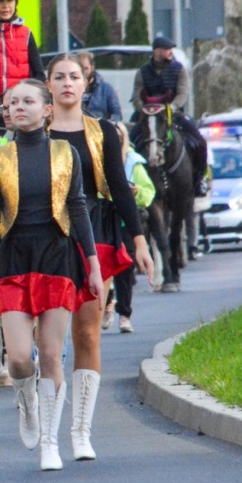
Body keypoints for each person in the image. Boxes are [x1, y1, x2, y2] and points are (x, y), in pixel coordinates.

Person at [0, 79, 103, 470]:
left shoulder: (66, 153)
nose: (20, 107)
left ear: (47, 110)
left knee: (49, 353)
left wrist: (93, 265)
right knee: (19, 360)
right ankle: (27, 401)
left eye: (29, 101)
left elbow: (78, 209)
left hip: (57, 257)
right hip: (14, 257)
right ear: (6, 113)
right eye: (13, 103)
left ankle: (50, 442)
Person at [47, 54, 153, 462]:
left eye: (75, 76)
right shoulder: (35, 128)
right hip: (47, 236)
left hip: (94, 233)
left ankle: (81, 431)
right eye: (60, 77)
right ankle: (48, 428)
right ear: (49, 84)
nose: (68, 83)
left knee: (87, 333)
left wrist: (139, 240)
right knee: (50, 344)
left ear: (86, 82)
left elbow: (121, 188)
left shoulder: (103, 131)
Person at [131, 37, 208, 195]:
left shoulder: (179, 69)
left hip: (173, 114)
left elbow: (182, 94)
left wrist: (171, 108)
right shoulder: (142, 72)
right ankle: (130, 181)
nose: (170, 52)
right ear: (157, 51)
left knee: (200, 141)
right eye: (167, 49)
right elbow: (137, 95)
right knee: (129, 143)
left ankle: (199, 180)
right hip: (147, 115)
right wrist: (143, 109)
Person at [104, 123, 155, 334]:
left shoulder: (134, 162)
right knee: (103, 266)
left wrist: (135, 193)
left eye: (119, 137)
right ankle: (106, 304)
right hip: (104, 220)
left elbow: (148, 192)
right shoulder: (97, 159)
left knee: (125, 269)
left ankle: (124, 314)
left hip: (125, 223)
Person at [78, 51, 122, 122]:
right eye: (80, 69)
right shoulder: (71, 90)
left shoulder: (106, 89)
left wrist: (107, 124)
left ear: (92, 67)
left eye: (86, 68)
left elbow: (117, 114)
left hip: (100, 129)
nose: (83, 72)